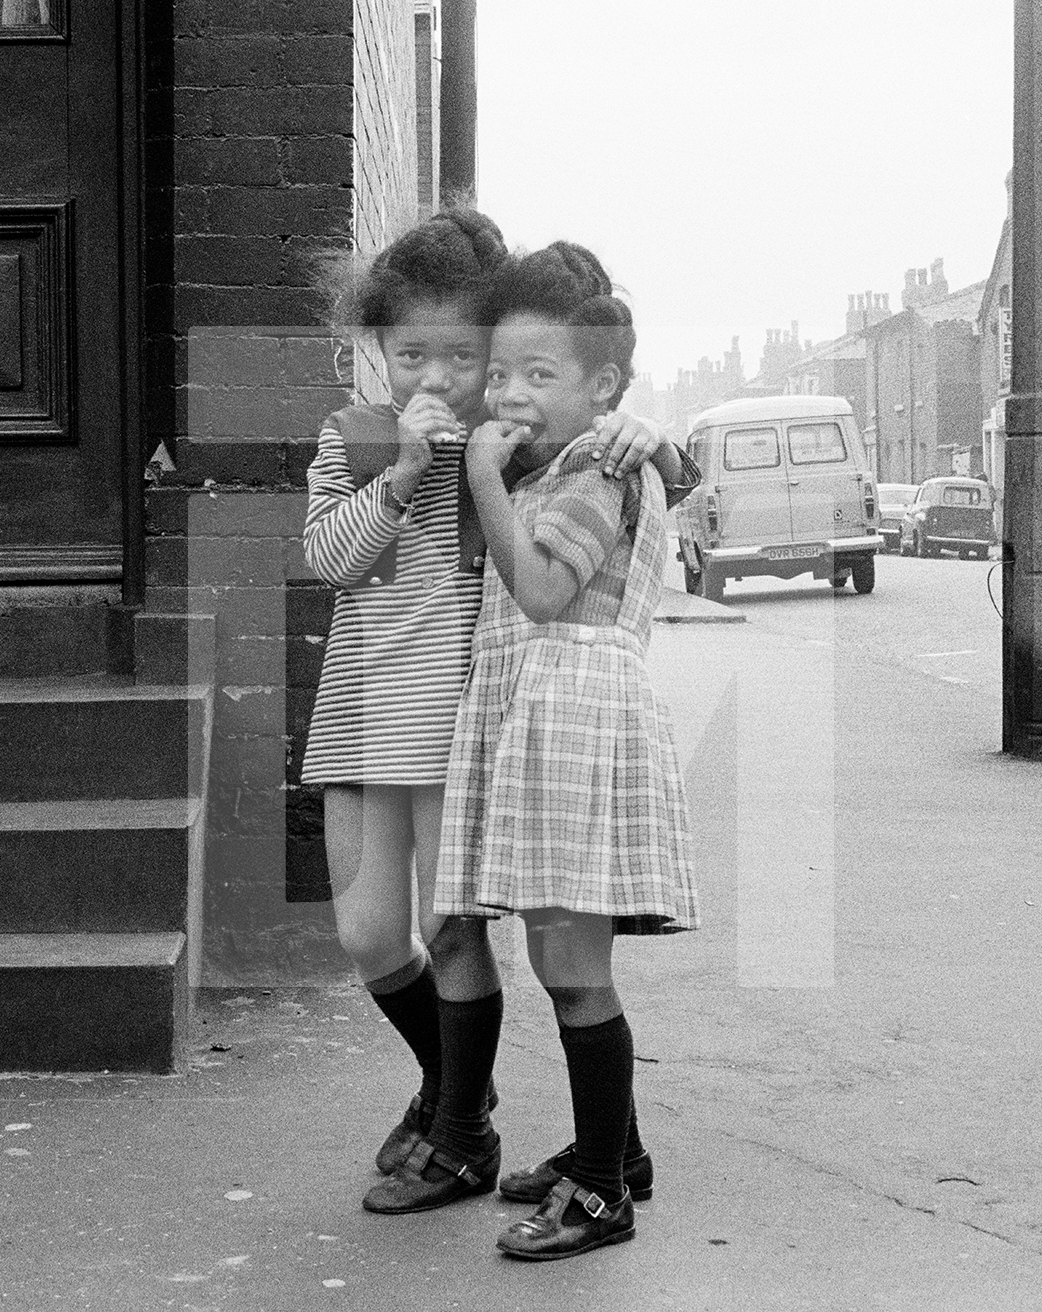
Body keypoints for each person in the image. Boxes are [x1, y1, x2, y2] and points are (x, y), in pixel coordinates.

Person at [300, 210, 693, 1211]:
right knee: (368, 934)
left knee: (457, 930)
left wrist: (659, 443)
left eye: (462, 357)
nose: (434, 378)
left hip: (456, 719)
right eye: (408, 353)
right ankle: (450, 1088)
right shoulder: (354, 443)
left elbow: (607, 476)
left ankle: (461, 1127)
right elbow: (330, 559)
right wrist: (397, 475)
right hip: (357, 709)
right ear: (376, 349)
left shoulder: (505, 456)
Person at [432, 241, 700, 1261]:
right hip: (540, 718)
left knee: (573, 962)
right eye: (501, 372)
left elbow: (544, 594)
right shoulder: (573, 457)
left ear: (605, 391)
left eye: (540, 376)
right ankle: (613, 1151)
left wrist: (480, 478)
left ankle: (599, 1194)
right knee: (559, 953)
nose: (510, 393)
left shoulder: (598, 465)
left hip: (575, 720)